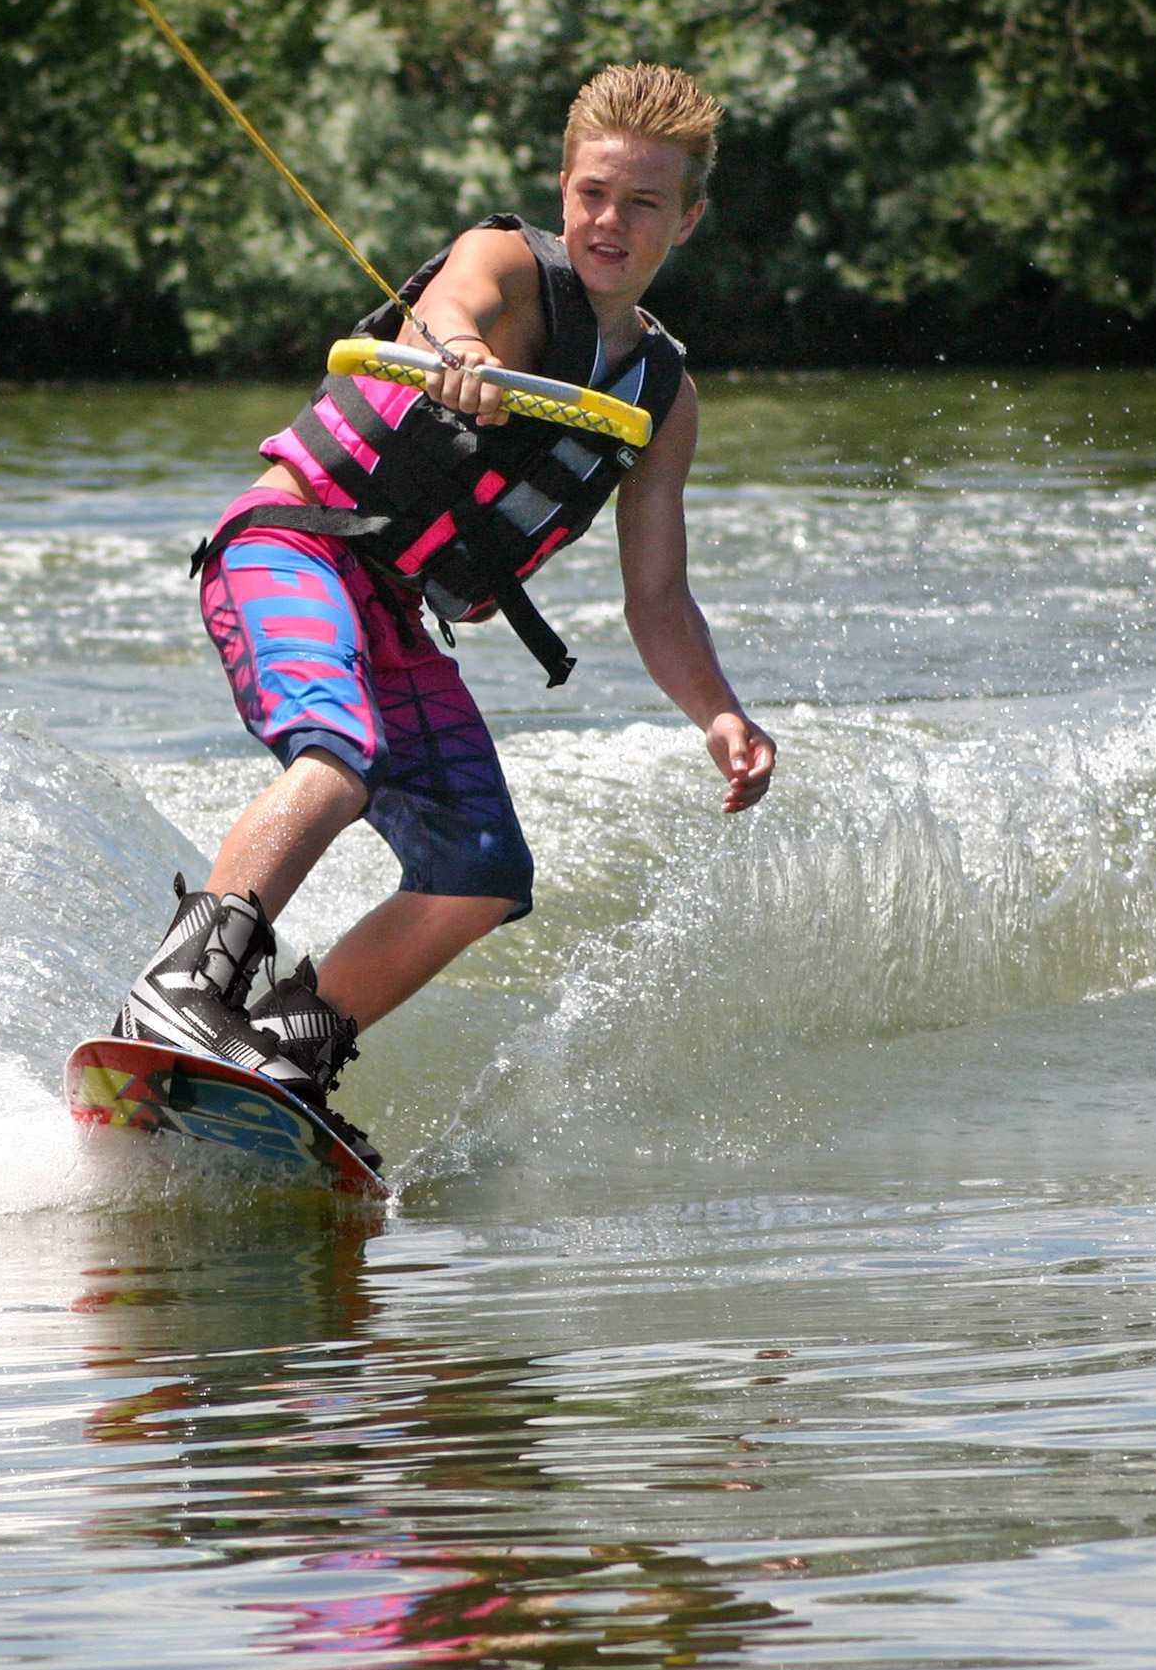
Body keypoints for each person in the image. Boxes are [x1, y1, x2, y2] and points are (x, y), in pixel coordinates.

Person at [116, 62, 777, 1166]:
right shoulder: (508, 262)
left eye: (643, 203)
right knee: (339, 753)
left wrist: (717, 712)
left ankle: (279, 1046)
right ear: (564, 188)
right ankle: (181, 986)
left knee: (480, 871)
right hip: (289, 541)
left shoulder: (661, 395)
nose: (608, 222)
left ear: (689, 218)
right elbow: (450, 308)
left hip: (393, 607)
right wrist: (461, 356)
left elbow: (655, 596)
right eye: (592, 194)